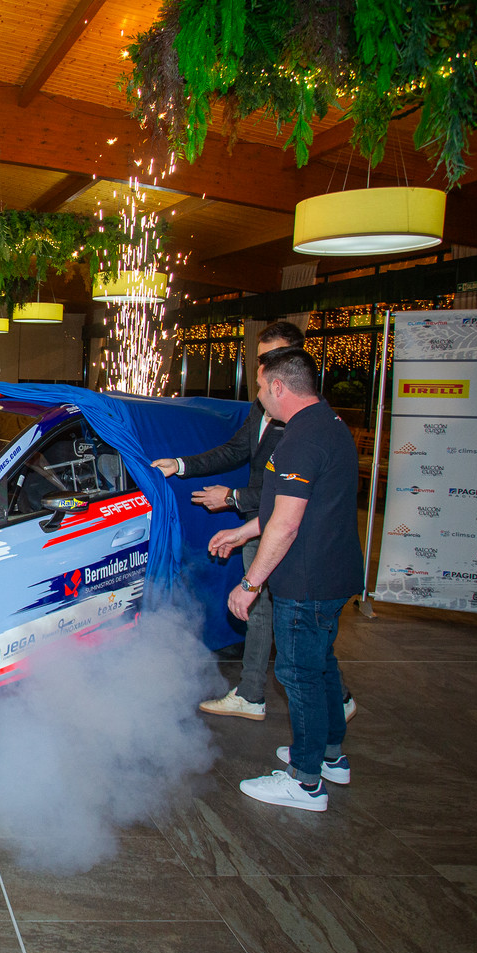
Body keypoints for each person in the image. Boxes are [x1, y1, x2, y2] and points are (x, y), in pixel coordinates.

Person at [149, 321, 357, 723]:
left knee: (299, 632)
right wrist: (181, 464)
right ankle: (264, 695)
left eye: (270, 359)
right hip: (262, 522)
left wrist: (233, 499)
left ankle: (318, 724)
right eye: (259, 359)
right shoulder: (263, 407)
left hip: (290, 534)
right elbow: (235, 451)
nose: (260, 370)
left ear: (292, 361)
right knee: (281, 621)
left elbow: (292, 497)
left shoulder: (306, 422)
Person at [208, 347, 363, 813]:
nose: (258, 396)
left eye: (259, 387)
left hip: (307, 579)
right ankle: (330, 756)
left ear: (278, 386)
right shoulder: (328, 425)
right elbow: (292, 508)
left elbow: (287, 525)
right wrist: (242, 532)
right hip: (334, 573)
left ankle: (305, 781)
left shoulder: (300, 441)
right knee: (322, 665)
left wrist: (250, 585)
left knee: (299, 674)